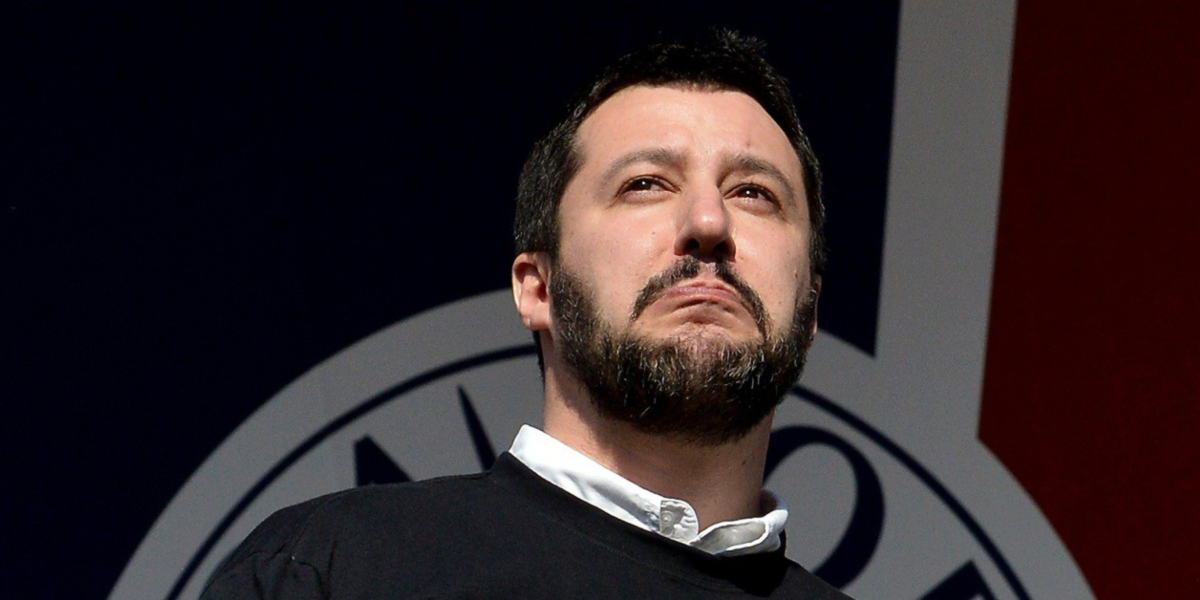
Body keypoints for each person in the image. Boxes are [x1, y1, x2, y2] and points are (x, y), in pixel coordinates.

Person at [202, 31, 847, 599]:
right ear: (538, 289)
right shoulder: (330, 570)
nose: (709, 222)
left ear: (811, 307)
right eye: (645, 184)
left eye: (754, 193)